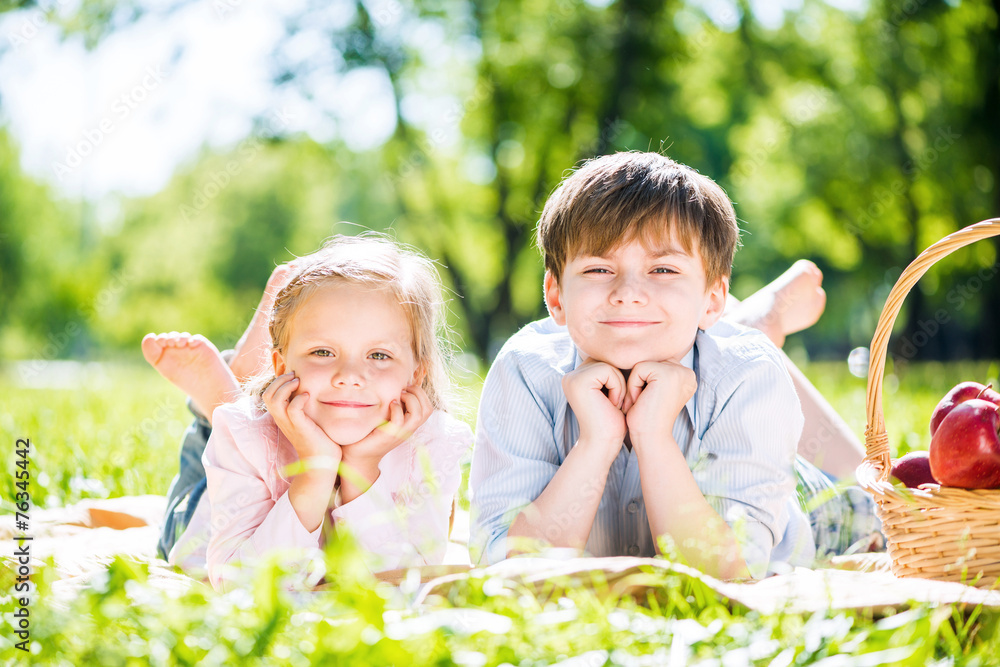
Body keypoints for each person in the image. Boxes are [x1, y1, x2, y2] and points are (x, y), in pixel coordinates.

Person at [469, 151, 881, 580]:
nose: (627, 292)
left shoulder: (749, 374)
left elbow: (728, 576)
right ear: (555, 297)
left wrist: (653, 436)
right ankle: (753, 317)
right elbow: (506, 572)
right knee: (705, 334)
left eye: (663, 268)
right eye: (598, 268)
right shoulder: (525, 370)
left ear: (712, 298)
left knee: (884, 492)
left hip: (805, 503)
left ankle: (755, 322)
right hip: (701, 347)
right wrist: (596, 443)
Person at [143, 235, 473, 591]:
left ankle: (230, 385)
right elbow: (239, 584)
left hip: (250, 428)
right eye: (323, 352)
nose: (349, 377)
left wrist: (360, 468)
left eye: (379, 355)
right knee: (178, 525)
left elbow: (402, 583)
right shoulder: (244, 433)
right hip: (205, 523)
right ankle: (216, 406)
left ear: (416, 373)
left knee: (231, 415)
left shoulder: (435, 443)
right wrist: (315, 472)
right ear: (282, 366)